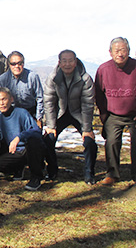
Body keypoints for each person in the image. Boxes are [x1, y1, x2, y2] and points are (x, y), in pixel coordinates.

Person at [95, 37, 136, 189]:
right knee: (112, 142)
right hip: (113, 114)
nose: (120, 54)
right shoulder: (103, 69)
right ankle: (112, 174)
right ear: (110, 52)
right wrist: (104, 116)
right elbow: (99, 94)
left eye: (123, 50)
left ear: (128, 51)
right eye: (116, 51)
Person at [43, 50, 98, 184]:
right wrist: (51, 126)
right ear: (59, 62)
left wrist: (86, 128)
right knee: (48, 139)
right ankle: (52, 171)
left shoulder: (85, 78)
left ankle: (89, 174)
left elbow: (88, 104)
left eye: (70, 60)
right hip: (60, 113)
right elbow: (49, 101)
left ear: (75, 61)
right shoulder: (53, 77)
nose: (67, 64)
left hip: (78, 113)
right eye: (64, 61)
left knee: (89, 142)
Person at [0, 87, 48, 191]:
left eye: (4, 99)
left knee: (33, 141)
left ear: (11, 99)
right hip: (15, 152)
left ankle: (36, 177)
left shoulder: (22, 113)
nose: (2, 103)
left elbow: (35, 131)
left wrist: (19, 137)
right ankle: (19, 167)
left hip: (29, 149)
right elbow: (3, 139)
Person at [0, 51, 44, 127]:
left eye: (19, 63)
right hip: (11, 114)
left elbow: (41, 98)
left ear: (23, 63)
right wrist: (3, 116)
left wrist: (38, 119)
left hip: (30, 112)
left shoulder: (32, 77)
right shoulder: (3, 79)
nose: (16, 66)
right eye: (13, 64)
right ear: (9, 64)